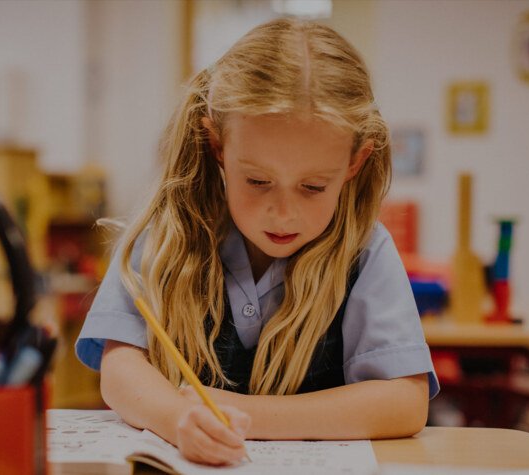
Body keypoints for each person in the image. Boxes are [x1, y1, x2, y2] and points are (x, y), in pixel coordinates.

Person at [76, 17, 439, 466]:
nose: (283, 213)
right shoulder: (164, 236)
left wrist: (242, 415)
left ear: (354, 163)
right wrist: (177, 420)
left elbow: (404, 402)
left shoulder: (364, 252)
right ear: (217, 145)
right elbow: (119, 369)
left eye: (313, 187)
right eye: (258, 180)